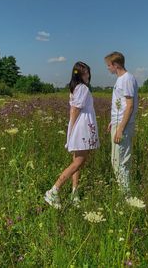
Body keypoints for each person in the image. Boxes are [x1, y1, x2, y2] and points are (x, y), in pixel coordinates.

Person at [44, 61, 100, 209]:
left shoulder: (77, 88)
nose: (88, 75)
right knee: (78, 162)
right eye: (85, 73)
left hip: (80, 126)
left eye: (88, 72)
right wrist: (72, 130)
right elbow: (74, 110)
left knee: (77, 162)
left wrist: (71, 130)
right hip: (82, 127)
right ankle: (54, 190)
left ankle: (74, 193)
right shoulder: (82, 88)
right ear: (79, 75)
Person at [105, 51, 140, 200]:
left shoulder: (126, 79)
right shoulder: (120, 79)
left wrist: (120, 128)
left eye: (109, 65)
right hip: (118, 123)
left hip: (123, 126)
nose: (108, 68)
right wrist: (113, 122)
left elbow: (130, 106)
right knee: (116, 160)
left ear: (116, 65)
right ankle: (124, 193)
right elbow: (121, 104)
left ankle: (126, 197)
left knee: (121, 161)